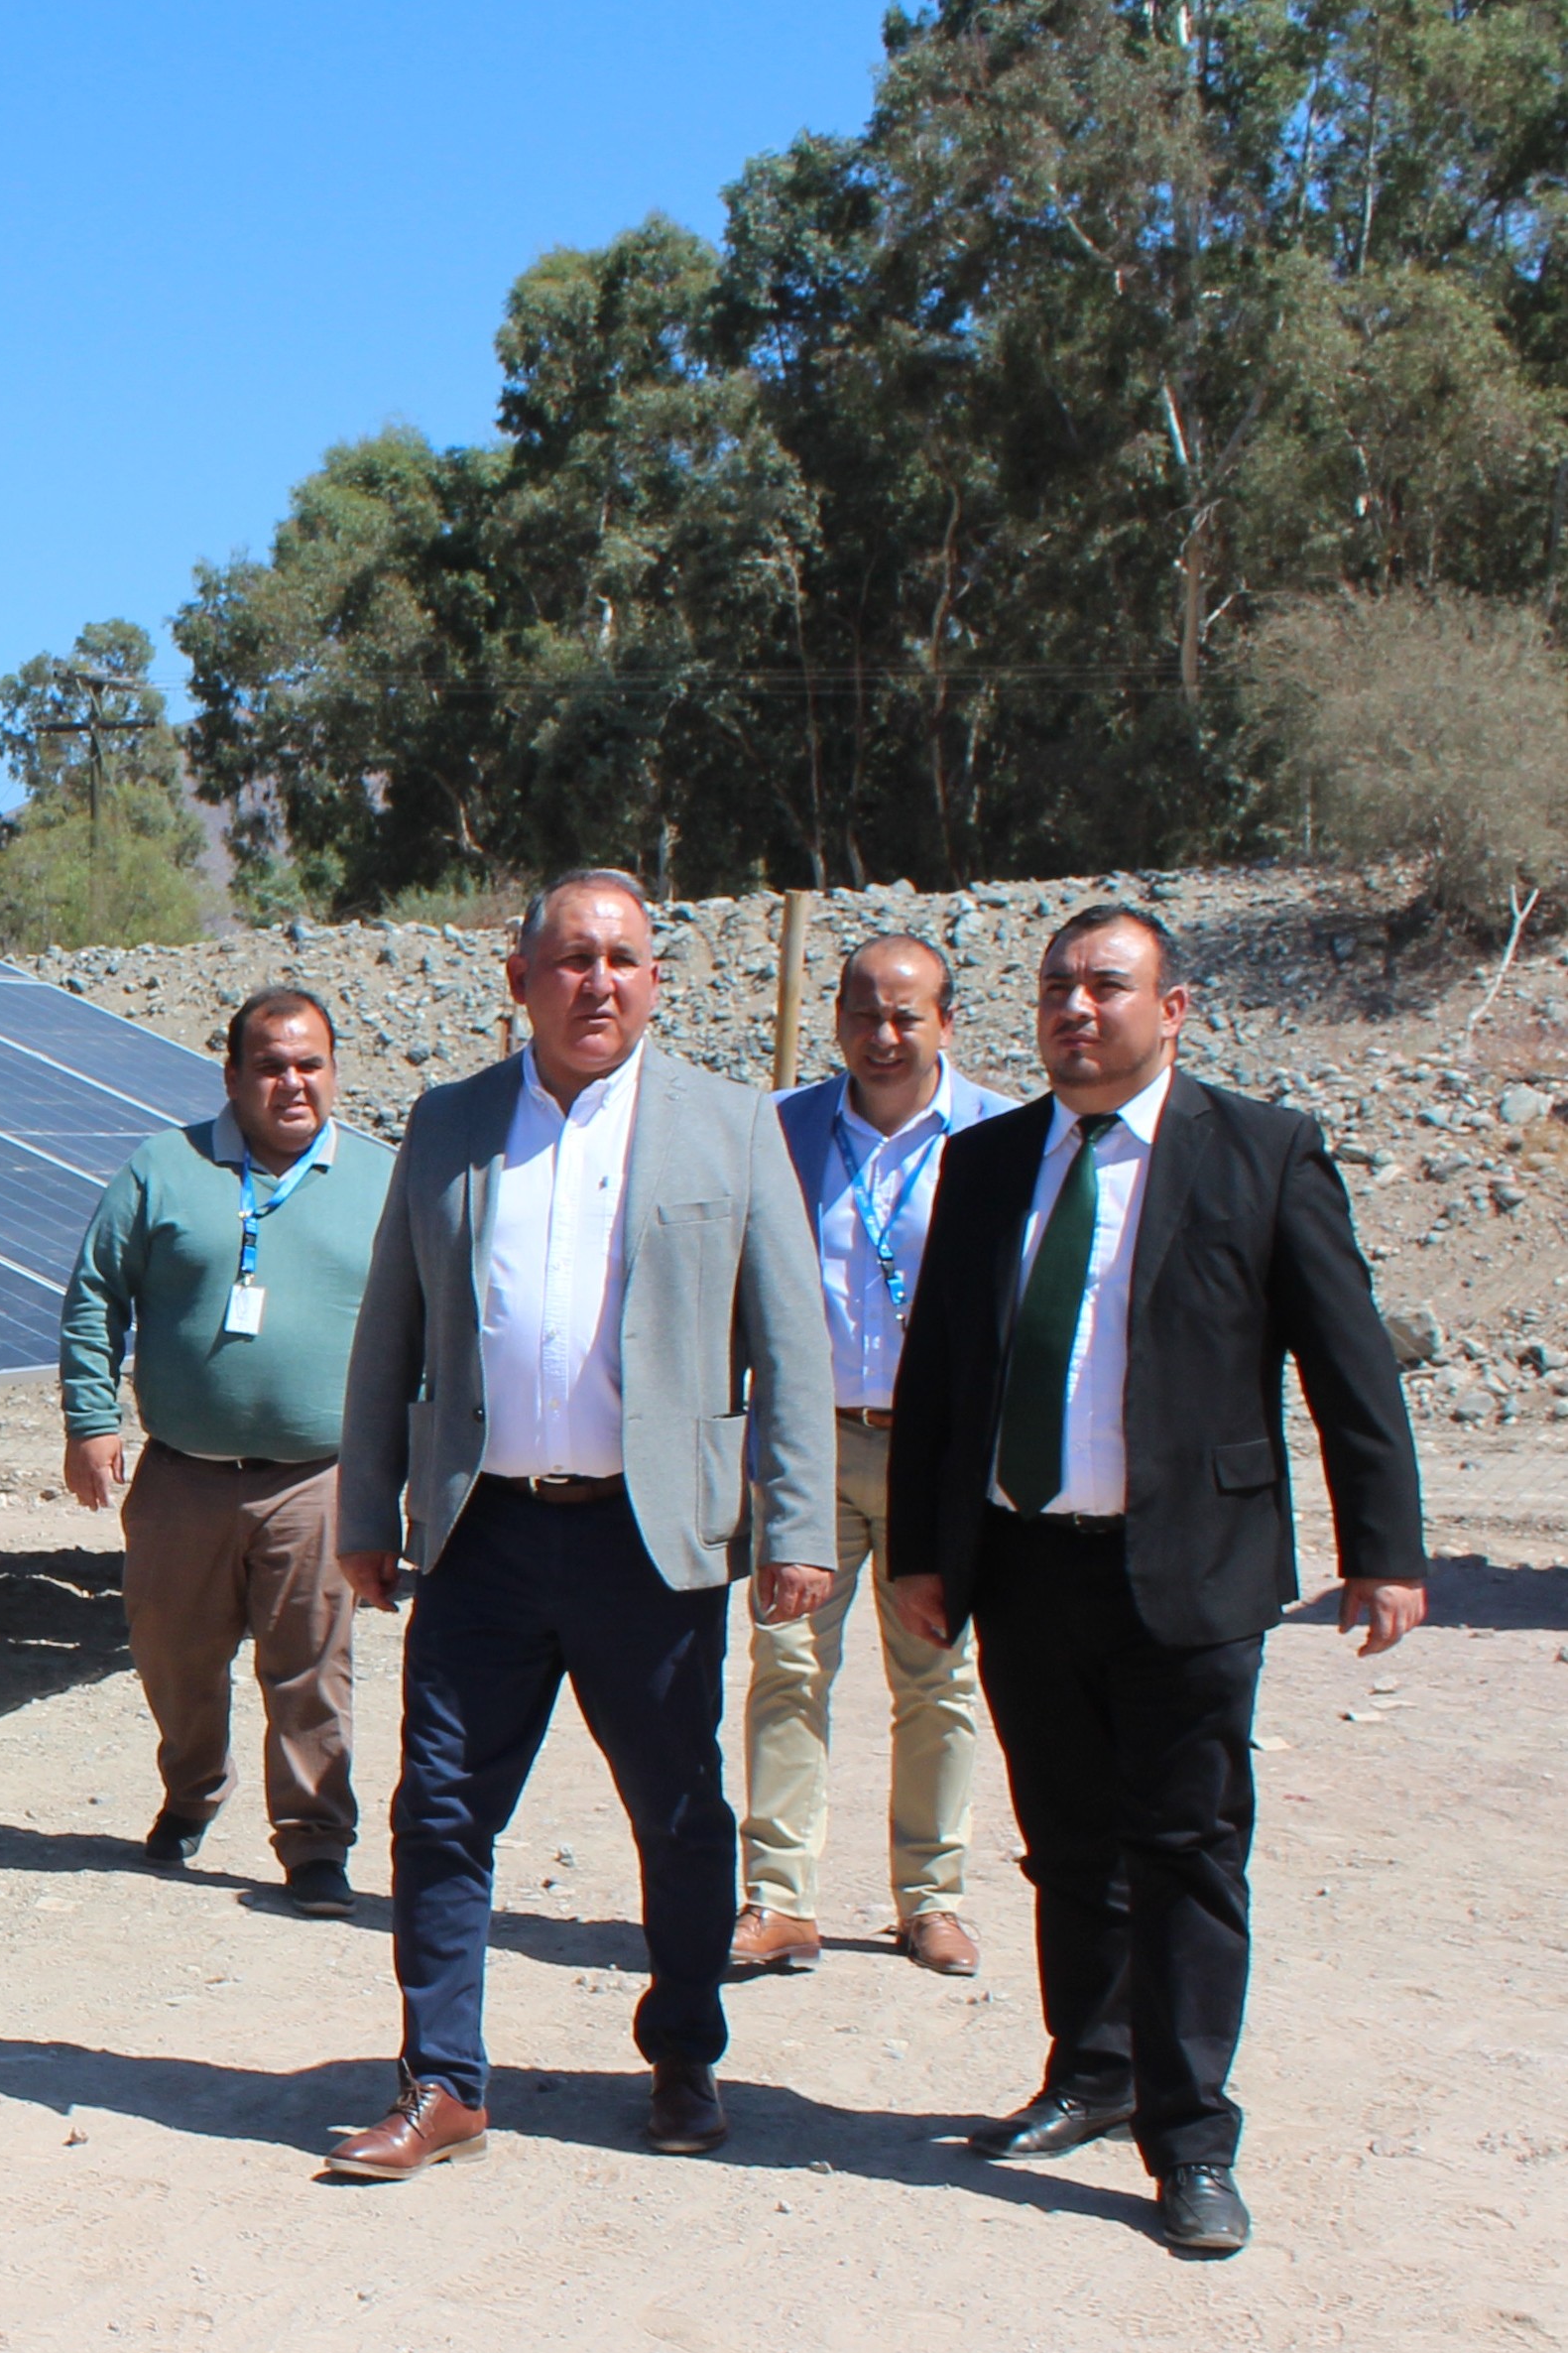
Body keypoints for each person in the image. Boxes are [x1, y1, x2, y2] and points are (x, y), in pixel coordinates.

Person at [884, 903, 1424, 2257]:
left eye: (1107, 987)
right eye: (1057, 986)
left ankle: (1190, 2143)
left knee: (1186, 1854)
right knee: (1068, 1847)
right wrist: (924, 1555)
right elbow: (941, 1375)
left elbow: (1345, 1360)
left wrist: (1388, 1550)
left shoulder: (1262, 1153)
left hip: (1188, 1568)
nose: (1076, 1009)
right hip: (1027, 1565)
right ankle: (1093, 2073)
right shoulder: (992, 1161)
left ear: (1172, 1009)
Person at [320, 869, 834, 2179]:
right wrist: (368, 1505)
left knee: (676, 1810)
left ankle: (683, 2050)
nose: (595, 982)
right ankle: (444, 2082)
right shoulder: (449, 1127)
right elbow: (393, 1329)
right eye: (569, 960)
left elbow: (790, 1340)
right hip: (484, 1534)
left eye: (621, 959)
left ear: (655, 979)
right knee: (438, 1808)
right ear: (520, 979)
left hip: (649, 1542)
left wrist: (797, 1525)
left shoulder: (729, 1127)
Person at [60, 985, 393, 1917]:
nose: (293, 1082)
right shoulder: (163, 1169)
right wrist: (91, 1420)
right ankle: (192, 1790)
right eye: (272, 1064)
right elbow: (96, 1295)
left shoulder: (381, 1180)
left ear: (332, 1071)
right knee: (174, 1656)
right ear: (233, 1075)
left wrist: (403, 1469)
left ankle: (316, 1843)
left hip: (318, 1479)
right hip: (181, 1478)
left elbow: (425, 1331)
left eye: (311, 1063)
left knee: (312, 1671)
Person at [734, 936, 1010, 1979]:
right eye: (863, 1015)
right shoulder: (782, 1131)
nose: (883, 1037)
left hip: (935, 1458)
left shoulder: (997, 1136)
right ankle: (777, 1898)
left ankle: (930, 1900)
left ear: (946, 1021)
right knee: (788, 1668)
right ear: (835, 1019)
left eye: (907, 1016)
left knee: (940, 1678)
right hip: (805, 1450)